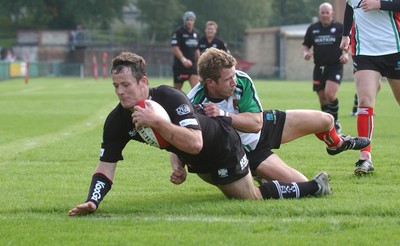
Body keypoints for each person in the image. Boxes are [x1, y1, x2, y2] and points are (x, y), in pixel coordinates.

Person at [68, 51, 333, 216]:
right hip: (200, 163)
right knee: (238, 189)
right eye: (116, 86)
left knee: (251, 197)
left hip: (223, 145)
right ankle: (266, 179)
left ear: (143, 82)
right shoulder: (116, 121)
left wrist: (157, 122)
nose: (120, 91)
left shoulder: (171, 97)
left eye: (126, 84)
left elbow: (194, 142)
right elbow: (105, 166)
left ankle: (315, 186)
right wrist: (93, 201)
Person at [188, 48, 370, 183]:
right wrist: (177, 167)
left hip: (261, 127)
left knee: (326, 120)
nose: (234, 82)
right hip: (246, 152)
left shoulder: (242, 81)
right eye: (228, 79)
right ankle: (258, 173)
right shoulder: (194, 102)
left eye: (234, 76)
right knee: (302, 184)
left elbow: (256, 123)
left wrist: (222, 114)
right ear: (210, 82)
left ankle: (337, 144)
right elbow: (180, 136)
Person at [340, 0, 400, 175]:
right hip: (364, 51)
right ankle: (365, 157)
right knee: (365, 100)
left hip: (394, 49)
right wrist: (345, 35)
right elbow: (350, 7)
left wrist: (380, 4)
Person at [302, 2, 349, 133]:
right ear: (319, 14)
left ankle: (336, 122)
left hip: (335, 66)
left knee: (330, 94)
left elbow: (348, 45)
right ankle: (326, 125)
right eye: (322, 12)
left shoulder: (340, 28)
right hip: (319, 67)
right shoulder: (313, 28)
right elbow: (305, 45)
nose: (325, 15)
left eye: (327, 12)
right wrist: (306, 53)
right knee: (322, 97)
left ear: (332, 13)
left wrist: (346, 55)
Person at [170, 11, 200, 90]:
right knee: (177, 91)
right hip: (180, 66)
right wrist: (183, 60)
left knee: (196, 90)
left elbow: (196, 49)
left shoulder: (196, 33)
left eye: (191, 20)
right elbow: (175, 47)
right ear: (184, 21)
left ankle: (195, 103)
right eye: (187, 20)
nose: (189, 22)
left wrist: (200, 62)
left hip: (192, 66)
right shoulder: (178, 32)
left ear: (194, 21)